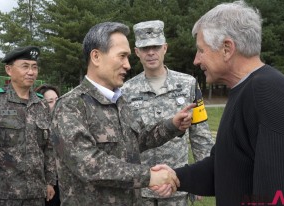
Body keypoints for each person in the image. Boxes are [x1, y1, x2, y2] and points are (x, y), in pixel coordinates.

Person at [151, 1, 284, 205]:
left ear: (227, 48)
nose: (196, 61)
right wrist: (176, 176)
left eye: (201, 50)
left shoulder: (268, 91)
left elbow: (280, 190)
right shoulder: (245, 90)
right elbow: (225, 167)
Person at [51, 22, 196, 206]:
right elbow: (89, 165)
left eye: (128, 57)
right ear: (96, 56)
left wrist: (172, 125)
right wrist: (149, 176)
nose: (128, 65)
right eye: (122, 56)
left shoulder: (120, 102)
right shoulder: (71, 106)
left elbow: (140, 139)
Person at [121, 20, 214, 206]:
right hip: (141, 188)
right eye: (145, 48)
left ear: (165, 48)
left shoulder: (188, 84)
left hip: (176, 183)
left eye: (155, 46)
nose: (151, 52)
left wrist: (202, 179)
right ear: (137, 52)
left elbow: (200, 134)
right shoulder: (125, 90)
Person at [0, 46, 56, 206]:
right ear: (9, 70)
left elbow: (49, 146)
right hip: (2, 193)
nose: (31, 72)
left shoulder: (41, 104)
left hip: (36, 192)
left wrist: (50, 180)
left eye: (34, 67)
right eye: (25, 66)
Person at [35, 84, 61, 206]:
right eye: (50, 101)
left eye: (57, 100)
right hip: (46, 182)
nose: (55, 104)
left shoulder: (67, 122)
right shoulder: (38, 126)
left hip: (64, 181)